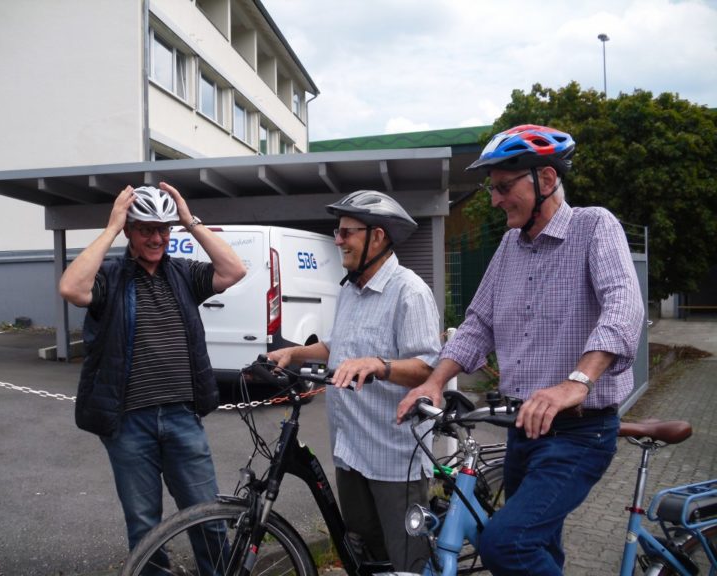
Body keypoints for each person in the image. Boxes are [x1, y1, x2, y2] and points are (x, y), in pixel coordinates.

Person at [397, 124, 645, 575]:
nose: (494, 199)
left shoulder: (594, 226)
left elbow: (623, 307)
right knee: (538, 550)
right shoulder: (510, 246)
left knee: (506, 544)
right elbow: (478, 325)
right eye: (492, 189)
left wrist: (577, 382)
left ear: (546, 180)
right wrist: (434, 382)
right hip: (523, 431)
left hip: (578, 433)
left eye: (504, 187)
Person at [59, 183, 246, 569]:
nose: (157, 238)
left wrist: (189, 220)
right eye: (146, 229)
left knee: (208, 519)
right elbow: (71, 287)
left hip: (182, 417)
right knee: (145, 528)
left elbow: (234, 270)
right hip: (129, 424)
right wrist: (110, 227)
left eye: (164, 229)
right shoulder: (110, 278)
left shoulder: (183, 274)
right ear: (129, 230)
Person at [267, 190, 441, 572]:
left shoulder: (409, 292)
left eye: (347, 232)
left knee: (407, 562)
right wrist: (295, 352)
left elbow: (428, 368)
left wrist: (379, 365)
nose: (338, 240)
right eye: (338, 231)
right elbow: (339, 347)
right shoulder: (350, 289)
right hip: (351, 450)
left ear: (377, 236)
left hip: (394, 459)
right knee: (367, 556)